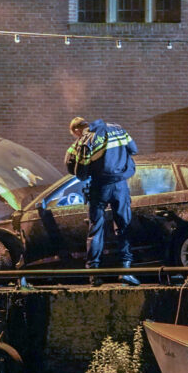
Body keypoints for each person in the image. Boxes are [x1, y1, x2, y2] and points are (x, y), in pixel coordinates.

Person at [64, 117, 140, 287]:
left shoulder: (86, 139)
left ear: (77, 131)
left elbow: (81, 174)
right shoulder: (118, 128)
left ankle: (94, 274)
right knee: (123, 226)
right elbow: (133, 149)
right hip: (120, 185)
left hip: (100, 187)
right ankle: (126, 271)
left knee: (96, 229)